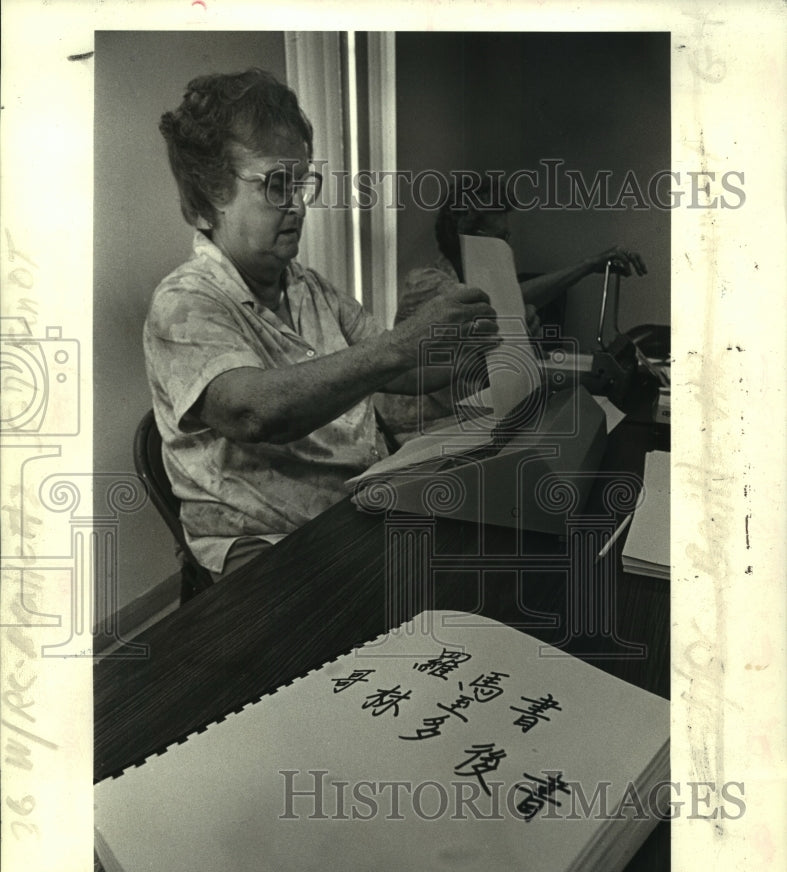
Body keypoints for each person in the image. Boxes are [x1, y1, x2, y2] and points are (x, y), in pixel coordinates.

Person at [144, 69, 498, 579]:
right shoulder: (183, 303)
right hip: (264, 542)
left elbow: (397, 374)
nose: (297, 206)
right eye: (275, 185)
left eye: (301, 182)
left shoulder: (306, 285)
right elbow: (253, 413)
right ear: (203, 202)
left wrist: (472, 350)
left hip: (349, 510)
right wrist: (404, 344)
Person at [376, 176, 647, 440]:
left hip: (464, 417)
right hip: (418, 428)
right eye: (499, 237)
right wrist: (588, 265)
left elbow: (503, 314)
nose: (506, 246)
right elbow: (494, 302)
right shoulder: (425, 281)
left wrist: (522, 328)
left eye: (507, 236)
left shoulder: (472, 285)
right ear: (466, 235)